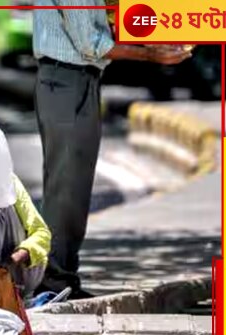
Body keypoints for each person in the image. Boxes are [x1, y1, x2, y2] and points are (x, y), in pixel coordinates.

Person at [33, 0, 192, 298]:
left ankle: (64, 278)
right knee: (66, 187)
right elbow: (91, 43)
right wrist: (153, 54)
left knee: (75, 187)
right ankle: (54, 281)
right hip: (65, 79)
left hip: (79, 79)